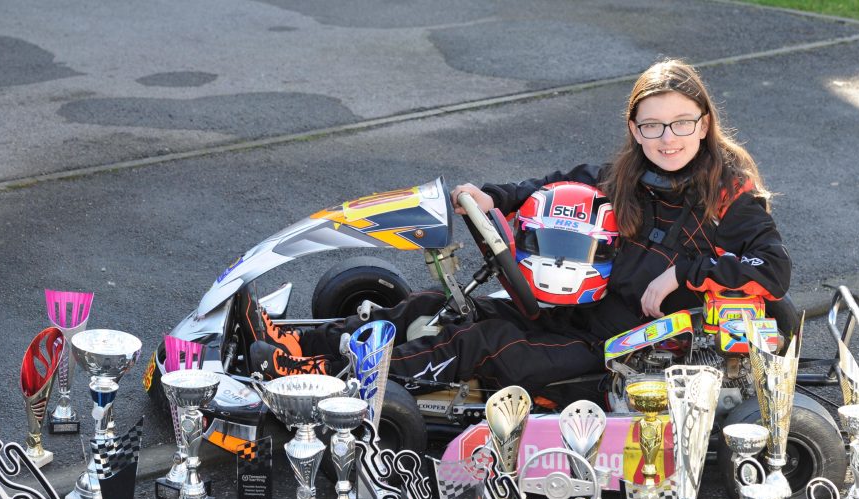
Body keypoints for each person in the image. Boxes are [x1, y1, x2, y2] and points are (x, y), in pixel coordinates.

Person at [244, 58, 791, 405]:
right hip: (571, 311)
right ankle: (296, 340)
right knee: (437, 304)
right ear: (634, 128)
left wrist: (684, 272)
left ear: (704, 123)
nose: (667, 138)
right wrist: (493, 197)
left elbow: (774, 271)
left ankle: (324, 379)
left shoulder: (730, 192)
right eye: (652, 125)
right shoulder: (621, 174)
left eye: (681, 123)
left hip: (624, 349)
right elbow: (545, 187)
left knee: (479, 341)